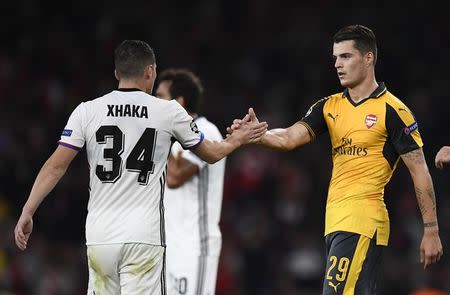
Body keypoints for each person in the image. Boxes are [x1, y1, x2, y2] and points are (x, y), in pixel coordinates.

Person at [14, 40, 267, 295]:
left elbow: (55, 167)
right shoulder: (168, 112)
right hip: (143, 237)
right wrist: (238, 138)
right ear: (151, 72)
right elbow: (212, 154)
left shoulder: (87, 111)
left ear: (117, 73)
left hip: (101, 236)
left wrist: (28, 210)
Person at [228, 25, 443, 295]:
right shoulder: (329, 106)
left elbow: (419, 170)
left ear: (368, 58)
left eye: (345, 57)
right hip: (335, 221)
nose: (338, 65)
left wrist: (431, 230)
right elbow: (290, 137)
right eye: (335, 58)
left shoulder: (393, 110)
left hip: (362, 220)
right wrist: (258, 134)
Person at [155, 68, 225, 295]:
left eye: (160, 97)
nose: (154, 103)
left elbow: (174, 177)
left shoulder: (207, 132)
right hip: (167, 248)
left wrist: (161, 135)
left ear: (179, 102)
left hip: (194, 247)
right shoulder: (172, 137)